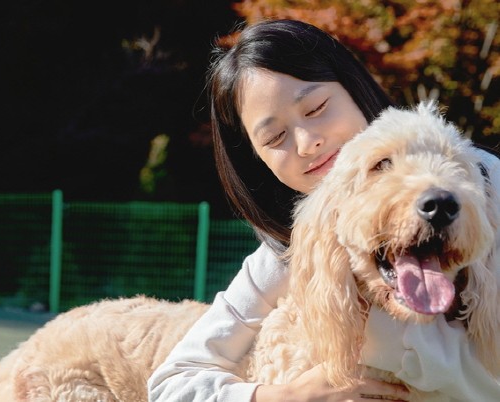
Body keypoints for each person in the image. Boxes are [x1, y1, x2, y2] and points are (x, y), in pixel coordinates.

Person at [148, 19, 500, 402]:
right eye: (275, 137)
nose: (308, 142)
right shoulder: (285, 252)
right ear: (258, 161)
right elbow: (172, 383)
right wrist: (280, 396)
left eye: (316, 108)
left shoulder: (482, 180)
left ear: (354, 90)